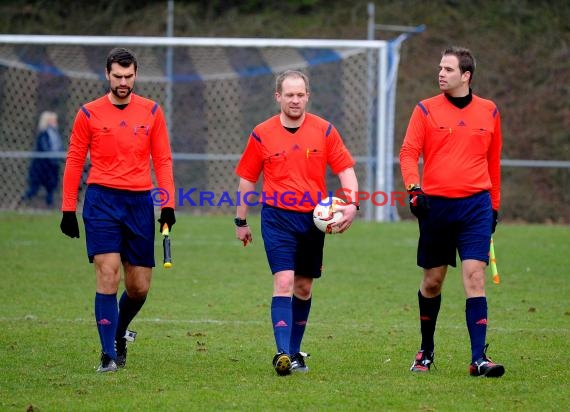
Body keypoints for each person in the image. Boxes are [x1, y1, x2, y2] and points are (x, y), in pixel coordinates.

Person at [234, 70, 359, 376]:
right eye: (289, 94)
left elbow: (345, 170)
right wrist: (241, 219)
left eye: (300, 94)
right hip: (277, 217)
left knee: (303, 288)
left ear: (307, 96)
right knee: (284, 281)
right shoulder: (262, 133)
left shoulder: (325, 130)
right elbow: (247, 179)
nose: (295, 100)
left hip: (313, 220)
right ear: (278, 96)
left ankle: (294, 351)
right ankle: (281, 353)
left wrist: (352, 204)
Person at [59, 47, 176, 373]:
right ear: (107, 75)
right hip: (102, 202)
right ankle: (107, 354)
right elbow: (74, 160)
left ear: (135, 75)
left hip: (139, 203)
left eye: (128, 76)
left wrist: (168, 203)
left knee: (138, 286)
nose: (123, 81)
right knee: (108, 273)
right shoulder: (88, 113)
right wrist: (68, 208)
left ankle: (119, 333)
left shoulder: (152, 112)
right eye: (117, 76)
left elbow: (163, 160)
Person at [399, 46, 505, 377]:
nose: (441, 73)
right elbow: (408, 152)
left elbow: (493, 162)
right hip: (436, 208)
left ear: (466, 75)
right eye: (440, 68)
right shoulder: (425, 109)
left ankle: (479, 359)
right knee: (432, 282)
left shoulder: (489, 111)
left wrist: (495, 206)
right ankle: (426, 350)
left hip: (476, 206)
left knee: (475, 278)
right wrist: (415, 190)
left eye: (448, 69)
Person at [21, 111, 64, 207]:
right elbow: (45, 149)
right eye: (52, 120)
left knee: (51, 188)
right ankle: (20, 203)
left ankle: (50, 207)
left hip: (52, 166)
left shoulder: (56, 134)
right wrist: (54, 158)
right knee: (34, 188)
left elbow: (60, 147)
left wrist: (60, 158)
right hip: (41, 167)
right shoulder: (43, 134)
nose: (55, 122)